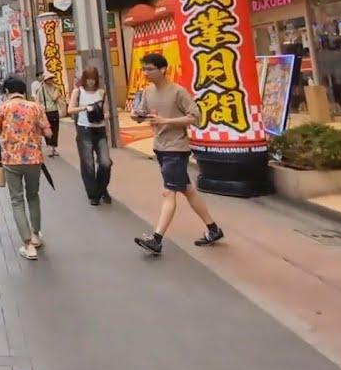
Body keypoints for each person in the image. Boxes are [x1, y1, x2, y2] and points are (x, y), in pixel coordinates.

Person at [131, 53, 225, 255]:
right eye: (144, 69)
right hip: (160, 147)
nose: (146, 73)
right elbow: (144, 113)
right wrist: (138, 116)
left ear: (162, 69)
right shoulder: (148, 92)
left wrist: (167, 121)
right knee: (187, 190)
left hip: (177, 148)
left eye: (150, 69)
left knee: (169, 192)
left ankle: (156, 239)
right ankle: (213, 229)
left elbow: (195, 117)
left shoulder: (178, 92)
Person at [0, 76, 52, 260]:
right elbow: (48, 132)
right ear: (23, 91)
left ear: (7, 92)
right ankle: (36, 235)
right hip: (34, 160)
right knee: (33, 196)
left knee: (17, 201)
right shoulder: (36, 107)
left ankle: (27, 245)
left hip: (11, 160)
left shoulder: (3, 108)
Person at [67, 66, 111, 205]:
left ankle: (102, 189)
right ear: (84, 79)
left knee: (105, 162)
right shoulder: (78, 92)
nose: (91, 82)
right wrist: (85, 108)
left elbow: (107, 112)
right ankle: (93, 194)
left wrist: (102, 115)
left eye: (93, 79)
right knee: (88, 163)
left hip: (100, 129)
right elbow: (70, 110)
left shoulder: (102, 93)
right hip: (84, 129)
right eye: (88, 79)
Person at [31, 71, 66, 156]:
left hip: (54, 111)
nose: (51, 80)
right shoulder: (40, 89)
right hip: (44, 112)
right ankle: (50, 146)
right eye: (49, 79)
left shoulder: (55, 88)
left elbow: (54, 98)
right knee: (46, 129)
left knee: (55, 130)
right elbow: (37, 101)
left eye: (51, 79)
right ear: (45, 80)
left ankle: (53, 147)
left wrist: (48, 90)